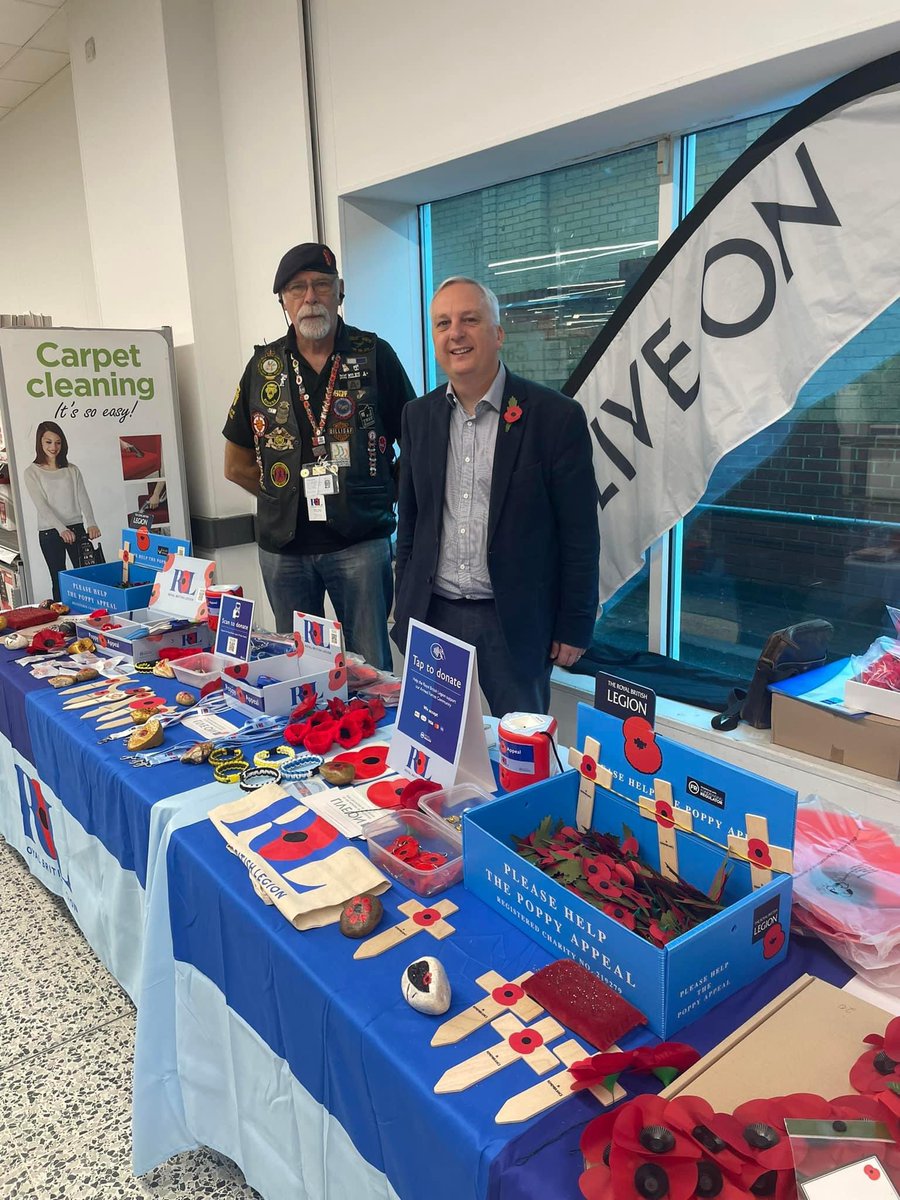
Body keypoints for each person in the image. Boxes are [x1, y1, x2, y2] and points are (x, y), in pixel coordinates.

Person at [392, 277, 600, 716]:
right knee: (435, 749)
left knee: (522, 755)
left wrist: (575, 624)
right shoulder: (417, 417)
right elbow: (410, 521)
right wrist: (402, 601)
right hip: (435, 614)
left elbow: (580, 534)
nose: (456, 333)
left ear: (498, 333)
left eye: (470, 319)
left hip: (513, 621)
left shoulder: (555, 417)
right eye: (443, 323)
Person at [223, 242, 415, 670]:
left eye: (321, 285)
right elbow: (235, 463)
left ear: (339, 292)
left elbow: (417, 445)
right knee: (296, 668)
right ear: (284, 302)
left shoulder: (374, 354)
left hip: (361, 545)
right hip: (283, 551)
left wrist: (383, 494)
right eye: (297, 289)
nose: (310, 297)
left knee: (371, 670)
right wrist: (284, 495)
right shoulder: (263, 367)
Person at [23, 421, 101, 603]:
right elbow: (42, 505)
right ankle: (63, 622)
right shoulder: (32, 472)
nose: (53, 447)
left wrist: (91, 522)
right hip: (50, 531)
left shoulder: (72, 470)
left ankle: (90, 615)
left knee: (86, 576)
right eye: (48, 442)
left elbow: (83, 497)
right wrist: (61, 529)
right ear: (40, 443)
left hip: (76, 527)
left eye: (58, 442)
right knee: (58, 579)